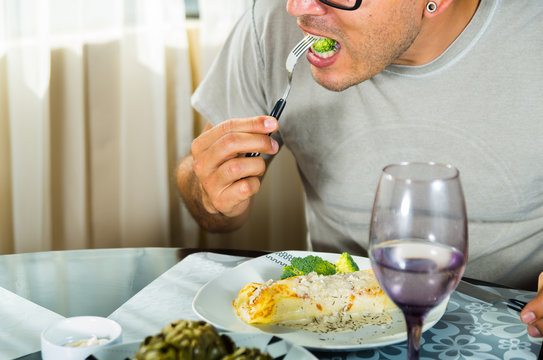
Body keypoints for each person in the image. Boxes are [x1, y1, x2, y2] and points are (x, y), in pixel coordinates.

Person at [177, 0, 543, 337]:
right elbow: (205, 201)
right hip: (334, 325)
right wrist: (210, 192)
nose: (296, 7)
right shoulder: (269, 24)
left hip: (513, 320)